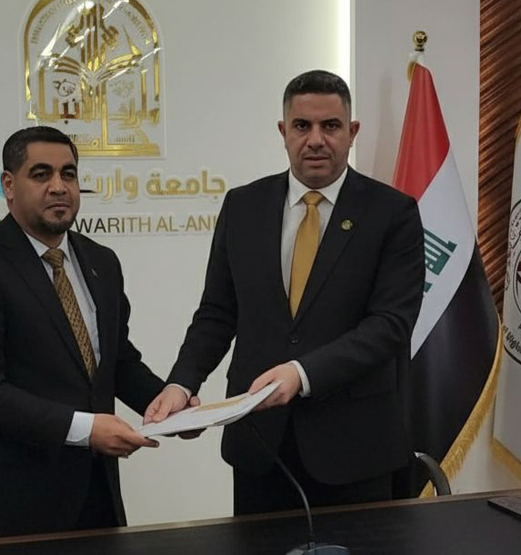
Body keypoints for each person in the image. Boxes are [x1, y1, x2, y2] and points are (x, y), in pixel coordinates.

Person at [144, 70, 425, 514]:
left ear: (352, 132)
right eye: (302, 126)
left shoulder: (392, 213)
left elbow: (390, 325)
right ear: (283, 132)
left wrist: (302, 373)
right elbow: (217, 312)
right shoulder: (243, 206)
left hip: (355, 449)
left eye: (330, 126)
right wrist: (182, 382)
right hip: (259, 445)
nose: (315, 140)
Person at [0, 126, 174, 539]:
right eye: (41, 174)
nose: (59, 187)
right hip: (5, 507)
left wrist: (168, 404)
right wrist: (86, 430)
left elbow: (114, 362)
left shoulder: (101, 261)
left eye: (69, 174)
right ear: (9, 186)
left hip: (94, 497)